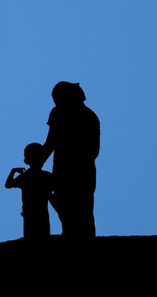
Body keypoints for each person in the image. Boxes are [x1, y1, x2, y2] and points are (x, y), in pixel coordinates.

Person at [42, 81, 100, 238]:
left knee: (73, 206)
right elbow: (94, 150)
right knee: (79, 207)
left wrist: (38, 160)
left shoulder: (60, 113)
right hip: (81, 168)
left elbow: (50, 142)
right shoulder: (90, 115)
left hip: (69, 168)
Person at [5, 143, 54, 239]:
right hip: (39, 214)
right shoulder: (45, 176)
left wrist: (13, 171)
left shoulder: (26, 176)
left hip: (31, 214)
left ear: (26, 161)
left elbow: (8, 185)